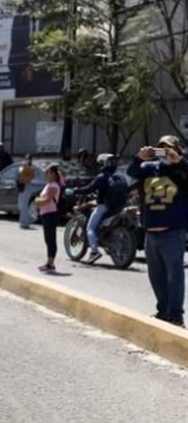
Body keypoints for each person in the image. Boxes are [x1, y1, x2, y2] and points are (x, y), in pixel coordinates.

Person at [127, 136, 187, 327]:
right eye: (160, 148)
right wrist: (139, 158)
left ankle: (175, 315)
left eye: (168, 148)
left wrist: (180, 161)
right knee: (156, 276)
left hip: (173, 232)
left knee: (174, 274)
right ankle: (163, 311)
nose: (164, 152)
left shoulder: (182, 169)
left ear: (177, 150)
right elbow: (131, 173)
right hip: (150, 232)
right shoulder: (148, 168)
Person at [73, 153, 120, 264]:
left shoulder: (102, 176)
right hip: (118, 206)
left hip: (104, 206)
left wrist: (76, 190)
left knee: (90, 228)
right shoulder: (117, 176)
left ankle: (94, 251)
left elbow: (89, 188)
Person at [34, 165, 62, 273]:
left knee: (50, 239)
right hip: (46, 214)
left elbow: (47, 199)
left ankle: (51, 263)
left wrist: (37, 200)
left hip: (50, 214)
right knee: (48, 238)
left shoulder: (54, 186)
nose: (46, 174)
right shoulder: (49, 185)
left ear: (54, 174)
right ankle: (49, 262)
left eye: (48, 172)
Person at [17, 155, 37, 229]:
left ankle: (24, 223)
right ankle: (30, 218)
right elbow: (19, 174)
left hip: (27, 186)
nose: (28, 160)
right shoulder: (22, 166)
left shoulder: (32, 167)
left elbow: (32, 176)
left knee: (24, 205)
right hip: (22, 186)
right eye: (28, 159)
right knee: (21, 204)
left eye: (29, 159)